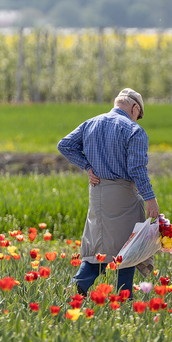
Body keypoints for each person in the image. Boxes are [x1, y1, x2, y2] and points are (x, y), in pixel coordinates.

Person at [57, 88, 159, 297]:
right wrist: (150, 199)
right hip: (123, 196)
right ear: (135, 108)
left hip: (97, 193)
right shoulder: (133, 130)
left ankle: (78, 288)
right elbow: (137, 169)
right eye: (137, 116)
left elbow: (65, 145)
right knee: (127, 250)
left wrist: (87, 166)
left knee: (99, 247)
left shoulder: (91, 123)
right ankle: (123, 297)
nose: (137, 119)